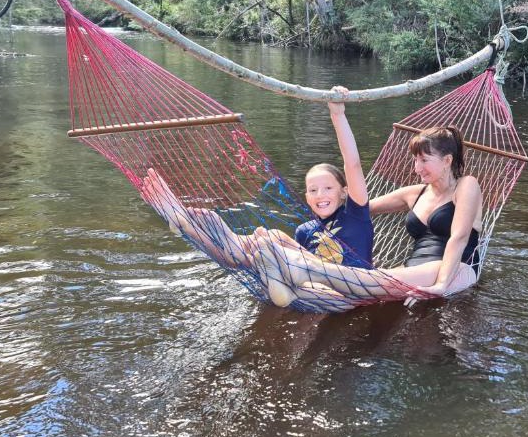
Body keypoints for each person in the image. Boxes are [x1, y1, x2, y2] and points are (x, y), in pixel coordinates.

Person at [139, 86, 374, 305]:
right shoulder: (305, 230)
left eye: (328, 188)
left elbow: (352, 164)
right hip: (310, 281)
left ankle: (280, 281)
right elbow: (305, 262)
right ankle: (186, 224)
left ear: (344, 192)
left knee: (273, 245)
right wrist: (269, 247)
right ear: (307, 195)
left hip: (351, 289)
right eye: (313, 190)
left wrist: (337, 114)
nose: (320, 195)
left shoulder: (356, 214)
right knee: (264, 242)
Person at [248, 125, 483, 307]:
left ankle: (300, 268)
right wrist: (329, 196)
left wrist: (441, 285)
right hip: (411, 272)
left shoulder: (466, 185)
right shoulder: (415, 193)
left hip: (455, 270)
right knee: (365, 282)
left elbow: (459, 237)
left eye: (424, 160)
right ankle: (291, 285)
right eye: (415, 160)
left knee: (368, 280)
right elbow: (359, 208)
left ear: (447, 161)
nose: (416, 168)